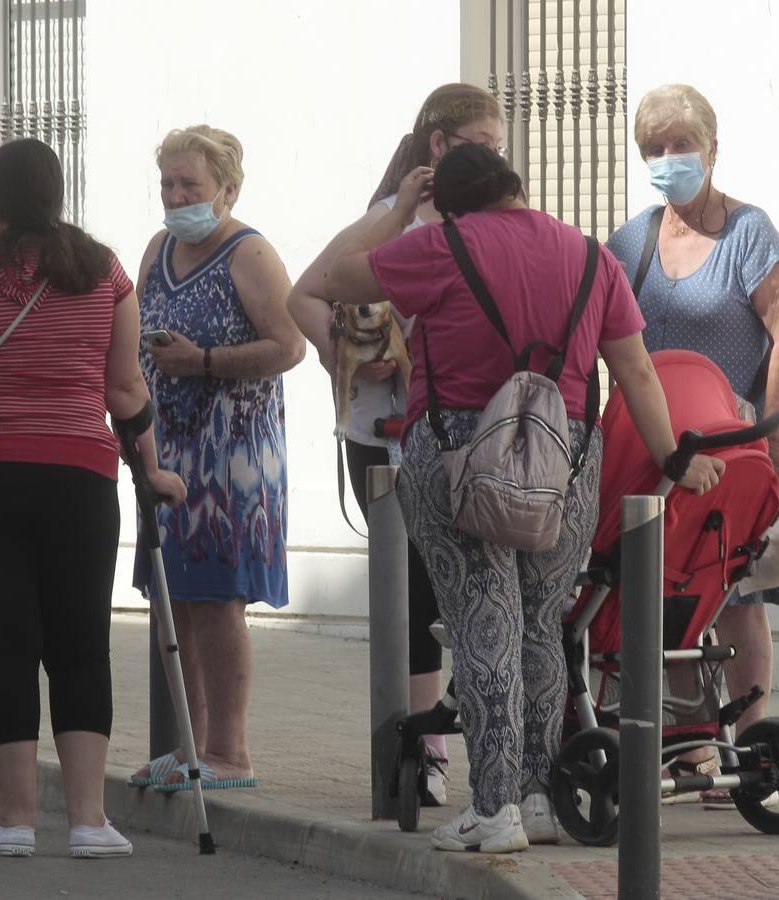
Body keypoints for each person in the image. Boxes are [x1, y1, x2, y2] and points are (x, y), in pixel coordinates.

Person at [323, 143, 724, 853]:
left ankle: (493, 807)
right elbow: (633, 366)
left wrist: (399, 212)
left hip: (456, 458)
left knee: (484, 625)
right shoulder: (591, 256)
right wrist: (672, 457)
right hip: (565, 464)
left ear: (447, 202)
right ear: (514, 186)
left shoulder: (441, 245)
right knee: (542, 626)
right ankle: (540, 799)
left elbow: (330, 278)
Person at [0, 138, 184, 858]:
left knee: (3, 638)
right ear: (59, 196)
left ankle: (16, 820)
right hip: (78, 476)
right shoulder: (105, 273)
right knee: (80, 640)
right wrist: (151, 471)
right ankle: (90, 821)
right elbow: (126, 391)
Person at [287, 82, 506, 805]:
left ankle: (484, 752)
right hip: (383, 435)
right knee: (409, 591)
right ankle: (425, 758)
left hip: (462, 431)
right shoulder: (390, 219)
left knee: (467, 587)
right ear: (438, 146)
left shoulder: (496, 218)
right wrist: (344, 358)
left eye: (499, 146)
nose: (493, 157)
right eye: (481, 143)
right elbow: (305, 295)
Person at [606, 85, 779, 805]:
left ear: (713, 149)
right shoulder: (630, 243)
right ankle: (685, 746)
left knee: (737, 595)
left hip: (732, 446)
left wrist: (773, 437)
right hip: (653, 456)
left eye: (681, 145)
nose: (669, 160)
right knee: (664, 596)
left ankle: (748, 740)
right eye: (654, 149)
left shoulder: (749, 232)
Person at [128, 125, 304, 792]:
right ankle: (189, 745)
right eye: (168, 184)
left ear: (227, 189)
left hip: (232, 455)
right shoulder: (157, 248)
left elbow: (289, 345)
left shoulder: (249, 253)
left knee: (217, 599)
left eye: (189, 185)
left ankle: (229, 749)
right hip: (167, 449)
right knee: (173, 597)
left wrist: (200, 361)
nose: (176, 196)